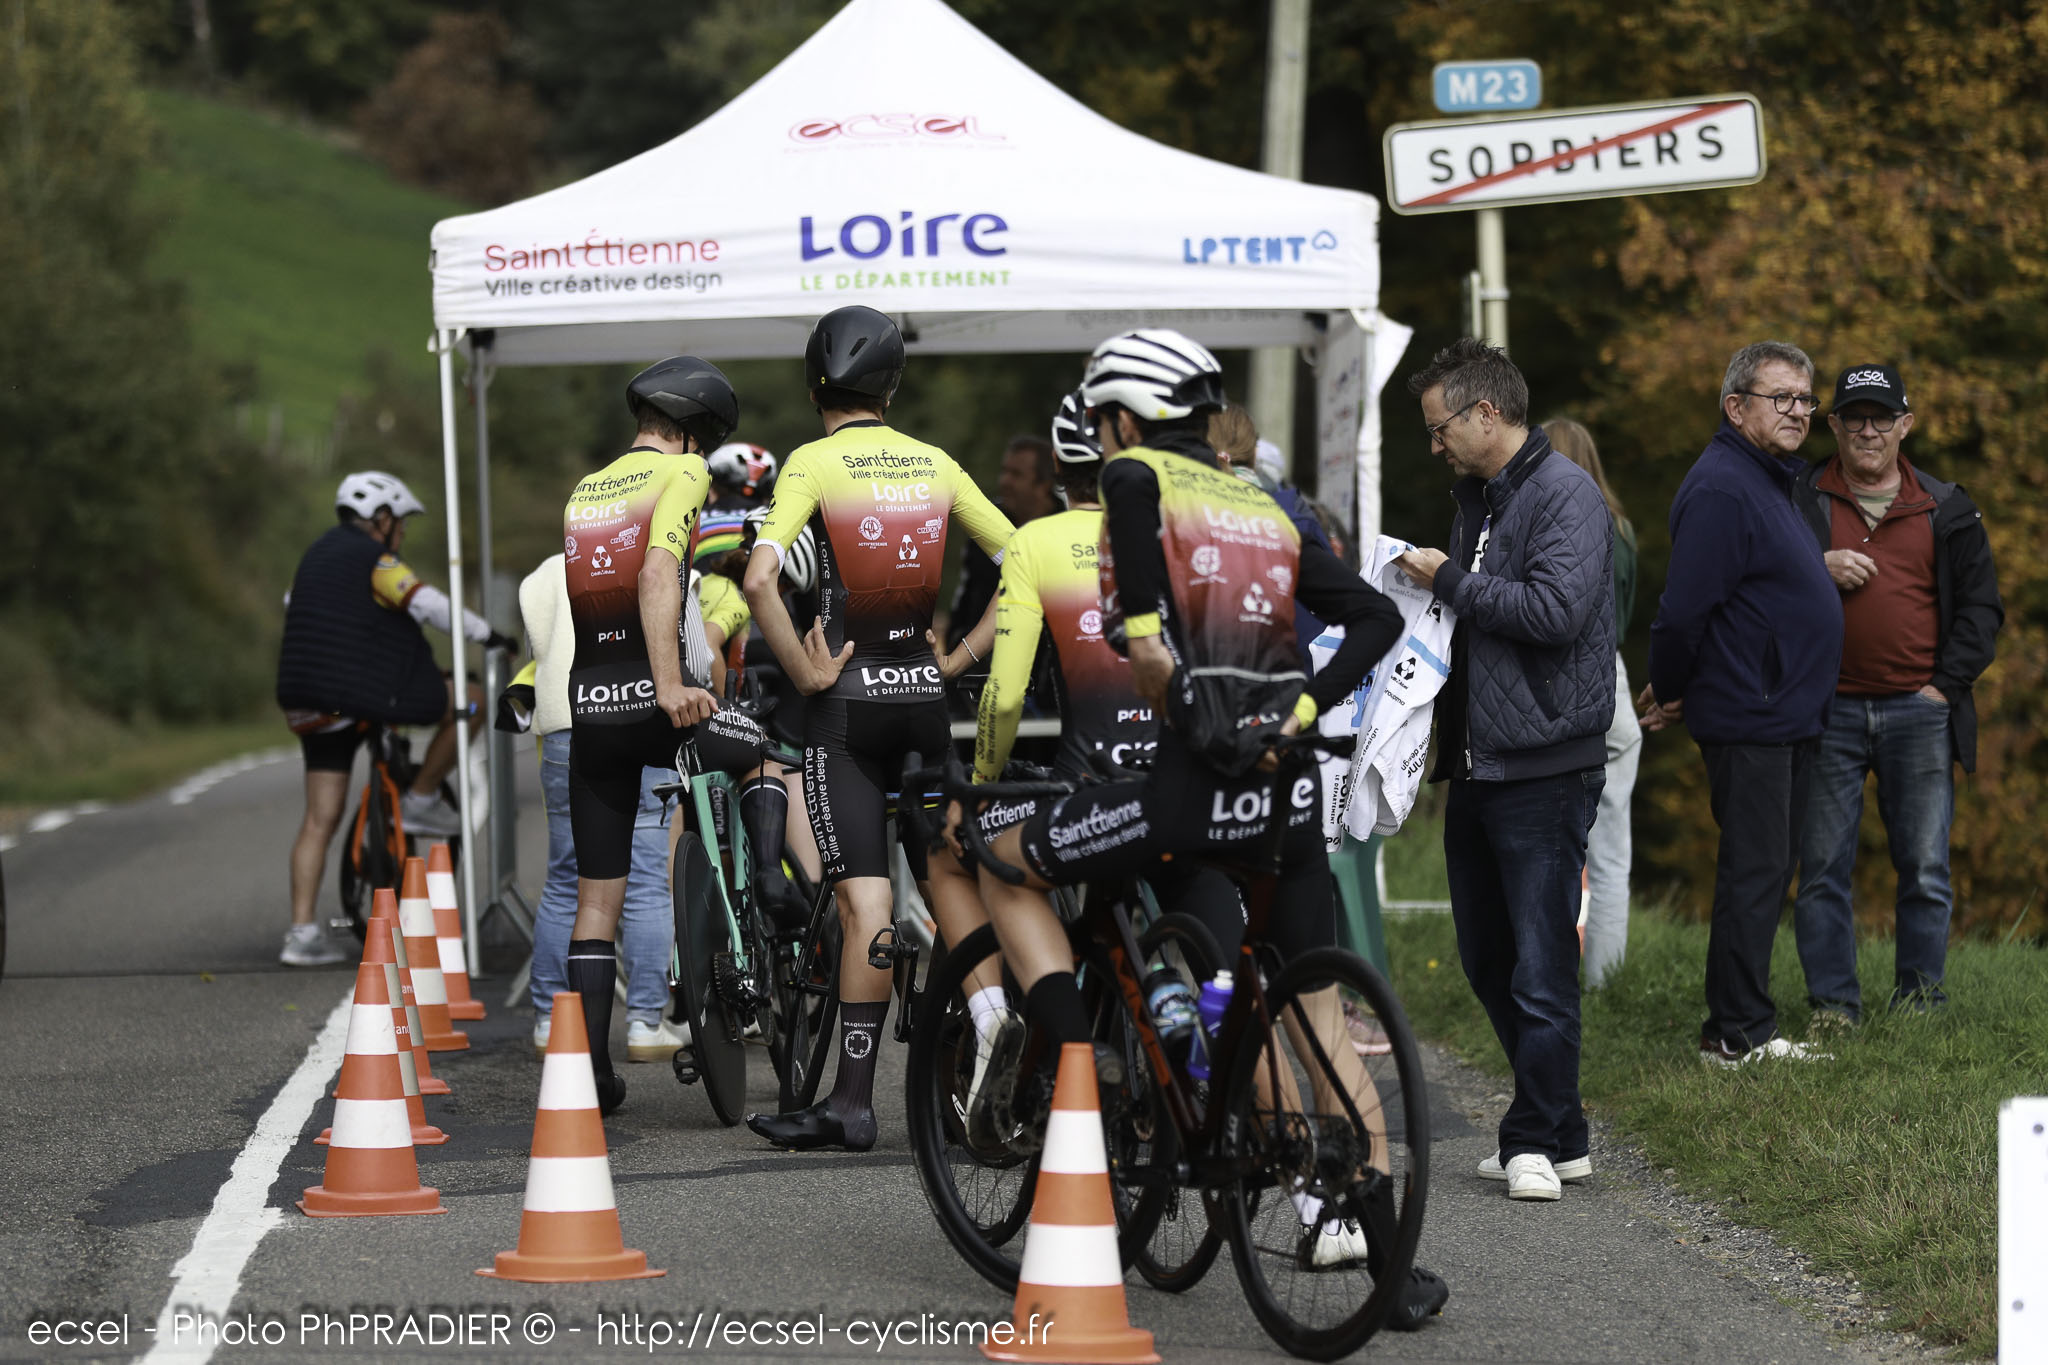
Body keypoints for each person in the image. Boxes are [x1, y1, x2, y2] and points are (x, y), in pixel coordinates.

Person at [956, 331, 1448, 1319]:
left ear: (1120, 419)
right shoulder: (1260, 499)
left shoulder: (1133, 477)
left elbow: (1143, 643)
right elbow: (1374, 619)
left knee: (1000, 856)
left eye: (1105, 425)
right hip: (1284, 791)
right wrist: (1296, 711)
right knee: (1312, 1013)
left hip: (1182, 794)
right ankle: (1386, 1265)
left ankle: (1075, 1055)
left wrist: (1190, 707)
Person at [740, 305, 1014, 1152]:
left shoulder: (813, 461)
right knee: (949, 884)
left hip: (848, 709)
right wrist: (957, 658)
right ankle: (989, 1023)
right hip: (924, 703)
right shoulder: (935, 462)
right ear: (891, 390)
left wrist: (805, 671)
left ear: (814, 387)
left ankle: (853, 1104)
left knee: (868, 904)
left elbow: (758, 579)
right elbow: (1025, 566)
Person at [1392, 339, 1614, 1203]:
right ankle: (1563, 1130)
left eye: (1440, 426)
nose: (1433, 444)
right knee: (1487, 957)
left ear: (1487, 413)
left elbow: (1555, 613)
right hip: (1481, 762)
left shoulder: (1565, 493)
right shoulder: (1481, 500)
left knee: (1540, 963)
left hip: (1546, 763)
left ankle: (1531, 1138)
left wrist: (1449, 579)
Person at [561, 355, 765, 1116]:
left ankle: (591, 1076)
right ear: (688, 434)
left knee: (595, 904)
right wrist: (670, 684)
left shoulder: (587, 488)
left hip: (591, 710)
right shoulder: (680, 475)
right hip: (661, 707)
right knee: (764, 753)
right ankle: (767, 904)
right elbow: (656, 575)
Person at [1639, 340, 1842, 1068]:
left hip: (1783, 710)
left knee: (1768, 869)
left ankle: (1743, 1022)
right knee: (1754, 872)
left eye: (1805, 399)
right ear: (1735, 406)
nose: (1799, 411)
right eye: (1781, 397)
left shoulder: (1767, 479)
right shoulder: (1724, 487)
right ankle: (1736, 1034)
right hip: (1752, 711)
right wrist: (1671, 686)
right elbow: (1682, 612)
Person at [1790, 363, 2002, 1021]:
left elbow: (1982, 611)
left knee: (1926, 869)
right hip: (1825, 709)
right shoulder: (1798, 497)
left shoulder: (1948, 506)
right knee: (1821, 868)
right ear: (1833, 425)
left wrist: (1944, 687)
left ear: (1905, 424)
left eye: (1881, 417)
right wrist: (1814, 567)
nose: (1868, 430)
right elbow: (1753, 579)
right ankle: (1833, 1006)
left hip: (1920, 710)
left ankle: (1919, 1004)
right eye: (1854, 417)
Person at [275, 471, 511, 967]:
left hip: (308, 702)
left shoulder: (314, 557)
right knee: (471, 701)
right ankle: (421, 797)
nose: (401, 533)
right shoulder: (377, 560)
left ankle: (301, 934)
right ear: (380, 519)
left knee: (319, 818)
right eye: (400, 523)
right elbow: (425, 603)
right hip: (356, 694)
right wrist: (489, 635)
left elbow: (297, 605)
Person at [517, 553, 688, 1062]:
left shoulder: (552, 568)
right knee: (646, 876)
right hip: (641, 711)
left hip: (566, 716)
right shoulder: (660, 556)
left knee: (566, 877)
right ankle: (644, 1023)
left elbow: (538, 638)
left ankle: (550, 1020)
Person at [1544, 418, 1642, 988]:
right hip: (1615, 681)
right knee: (1611, 855)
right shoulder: (1621, 529)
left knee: (1547, 850)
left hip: (1557, 685)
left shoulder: (1546, 524)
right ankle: (1605, 982)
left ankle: (1546, 979)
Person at [943, 434, 1057, 650]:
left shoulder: (1064, 526)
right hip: (981, 652)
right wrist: (955, 643)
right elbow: (965, 595)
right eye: (1004, 471)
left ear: (1044, 484)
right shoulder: (986, 522)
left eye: (1016, 474)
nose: (1004, 481)